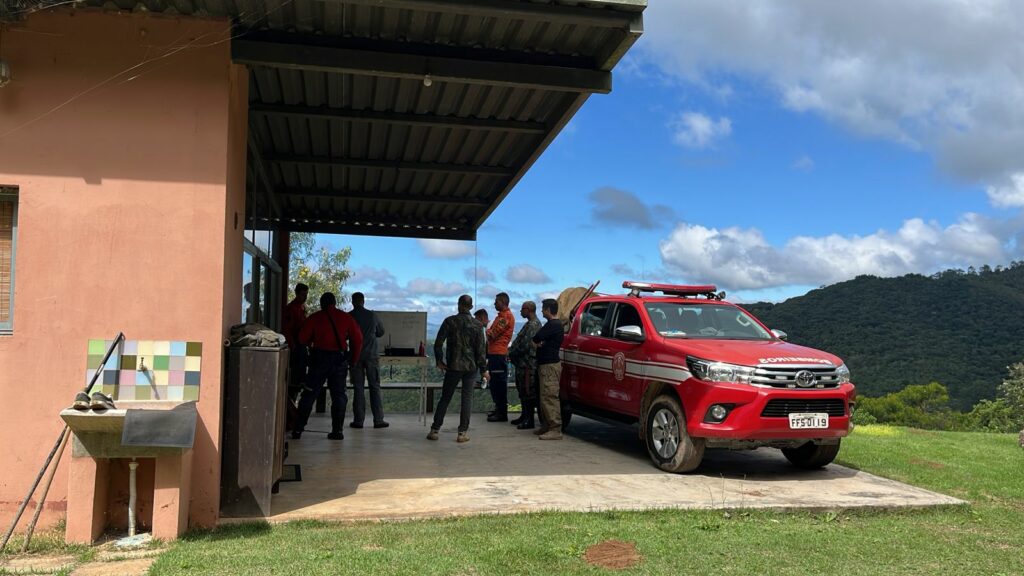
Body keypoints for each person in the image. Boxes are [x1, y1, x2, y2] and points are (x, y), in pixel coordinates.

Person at [293, 292, 363, 440]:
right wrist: (354, 360)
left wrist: (313, 341)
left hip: (319, 359)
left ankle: (298, 429)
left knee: (309, 394)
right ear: (335, 303)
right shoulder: (346, 318)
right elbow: (358, 339)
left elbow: (302, 338)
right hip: (339, 360)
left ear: (321, 303)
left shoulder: (315, 318)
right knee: (339, 395)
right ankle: (337, 431)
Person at [428, 295, 488, 443]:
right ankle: (462, 433)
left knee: (445, 397)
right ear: (471, 307)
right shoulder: (478, 325)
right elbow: (481, 350)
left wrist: (439, 360)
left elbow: (438, 343)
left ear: (458, 304)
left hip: (453, 366)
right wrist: (483, 370)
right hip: (471, 367)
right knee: (467, 399)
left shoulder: (449, 321)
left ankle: (435, 430)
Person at [349, 292, 388, 429]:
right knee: (375, 387)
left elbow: (346, 335)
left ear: (352, 302)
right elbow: (381, 332)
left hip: (356, 356)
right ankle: (378, 420)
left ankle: (358, 421)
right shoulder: (372, 315)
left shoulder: (350, 316)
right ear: (363, 301)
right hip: (371, 355)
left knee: (358, 388)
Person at [532, 298, 564, 440]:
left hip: (550, 366)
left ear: (548, 310)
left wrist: (540, 343)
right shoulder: (552, 325)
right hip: (545, 364)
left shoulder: (554, 325)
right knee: (543, 396)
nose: (541, 311)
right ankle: (546, 425)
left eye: (543, 309)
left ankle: (555, 428)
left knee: (549, 397)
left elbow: (537, 337)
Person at [508, 301, 541, 429]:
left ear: (528, 310)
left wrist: (512, 352)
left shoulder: (533, 325)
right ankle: (524, 416)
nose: (521, 311)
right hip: (522, 364)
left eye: (522, 309)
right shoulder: (529, 324)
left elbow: (525, 345)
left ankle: (529, 419)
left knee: (528, 391)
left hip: (528, 364)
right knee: (522, 390)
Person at [485, 292, 515, 422]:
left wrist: (487, 330)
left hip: (498, 354)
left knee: (499, 383)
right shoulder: (501, 316)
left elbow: (492, 334)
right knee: (495, 382)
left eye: (496, 301)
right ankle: (499, 409)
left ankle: (502, 413)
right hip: (495, 353)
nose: (494, 303)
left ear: (503, 302)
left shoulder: (506, 317)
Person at [282, 283, 309, 399]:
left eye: (306, 295)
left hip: (301, 344)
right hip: (295, 345)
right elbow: (287, 329)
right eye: (303, 294)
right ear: (297, 294)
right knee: (295, 376)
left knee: (300, 375)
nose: (305, 297)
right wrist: (292, 345)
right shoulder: (291, 308)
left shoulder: (301, 307)